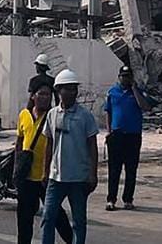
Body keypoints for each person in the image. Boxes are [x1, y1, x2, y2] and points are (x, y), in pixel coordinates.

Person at [41, 69, 99, 244]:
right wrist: (45, 171)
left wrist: (92, 173)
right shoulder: (52, 115)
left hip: (78, 178)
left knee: (79, 222)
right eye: (67, 88)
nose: (71, 92)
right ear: (59, 91)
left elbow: (92, 146)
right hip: (55, 177)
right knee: (48, 218)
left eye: (74, 89)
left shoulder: (85, 116)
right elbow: (49, 144)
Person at [15, 81, 73, 244]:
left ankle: (72, 240)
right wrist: (17, 169)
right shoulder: (24, 115)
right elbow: (20, 141)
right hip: (27, 177)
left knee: (56, 215)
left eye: (48, 94)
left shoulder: (53, 116)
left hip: (47, 177)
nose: (44, 98)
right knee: (24, 218)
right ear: (33, 96)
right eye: (41, 93)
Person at [104, 65, 152, 211]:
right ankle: (111, 199)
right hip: (117, 135)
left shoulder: (138, 92)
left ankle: (128, 199)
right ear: (119, 77)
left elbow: (145, 107)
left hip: (133, 136)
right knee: (114, 169)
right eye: (123, 76)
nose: (126, 79)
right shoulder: (112, 92)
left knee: (131, 169)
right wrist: (109, 131)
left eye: (128, 76)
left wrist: (135, 89)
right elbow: (108, 112)